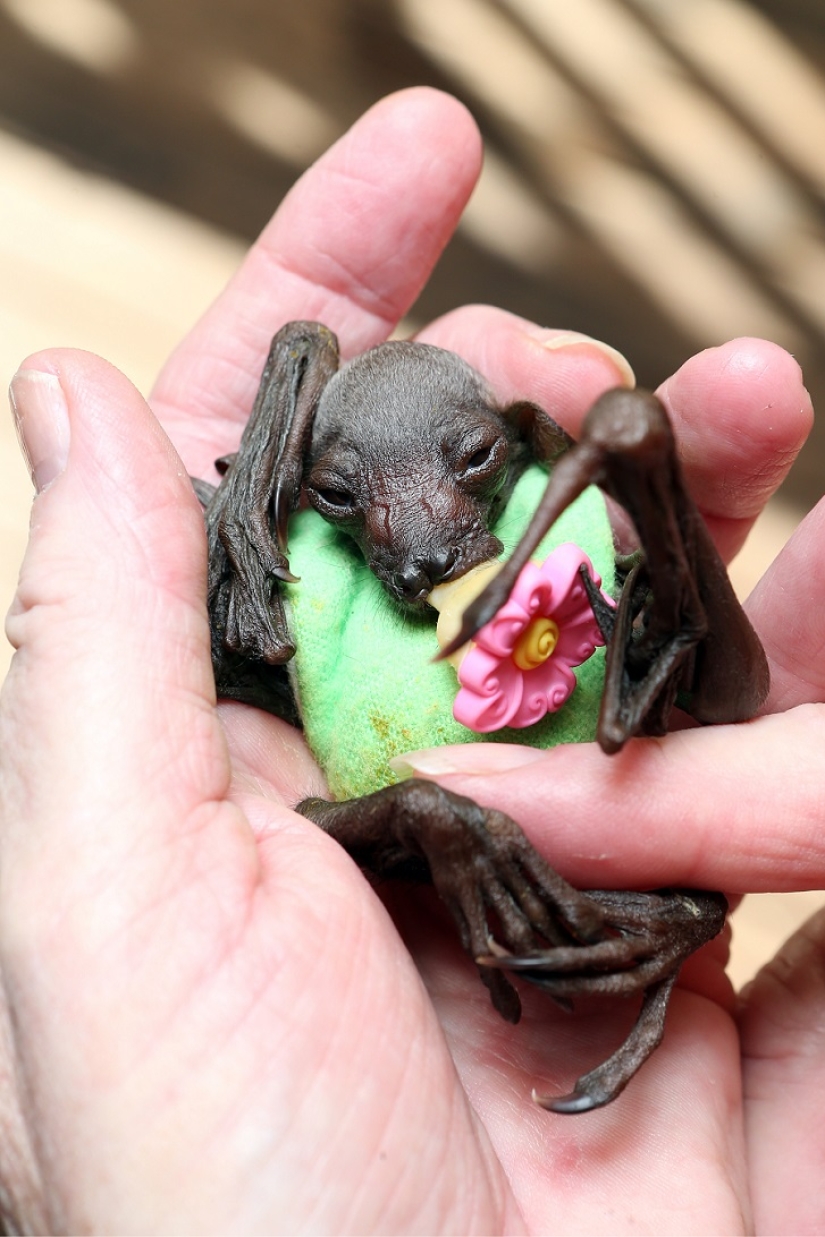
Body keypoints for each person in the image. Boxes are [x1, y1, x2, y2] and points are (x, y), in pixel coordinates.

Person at [1, 85, 823, 1235]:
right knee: (446, 806)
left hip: (588, 844)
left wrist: (641, 495)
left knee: (693, 726)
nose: (422, 534)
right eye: (347, 498)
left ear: (528, 447)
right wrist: (251, 510)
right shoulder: (271, 588)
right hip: (366, 857)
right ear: (292, 491)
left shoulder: (570, 508)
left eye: (471, 463)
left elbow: (721, 692)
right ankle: (464, 821)